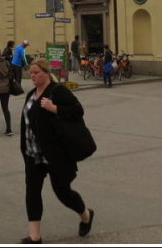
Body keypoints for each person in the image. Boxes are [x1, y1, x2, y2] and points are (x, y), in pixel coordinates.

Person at [19, 59, 93, 244]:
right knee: (32, 192)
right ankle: (34, 236)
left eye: (36, 72)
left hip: (54, 155)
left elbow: (77, 110)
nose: (32, 76)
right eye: (31, 73)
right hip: (33, 154)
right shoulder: (31, 94)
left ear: (45, 72)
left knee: (63, 193)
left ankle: (85, 215)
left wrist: (54, 108)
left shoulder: (57, 91)